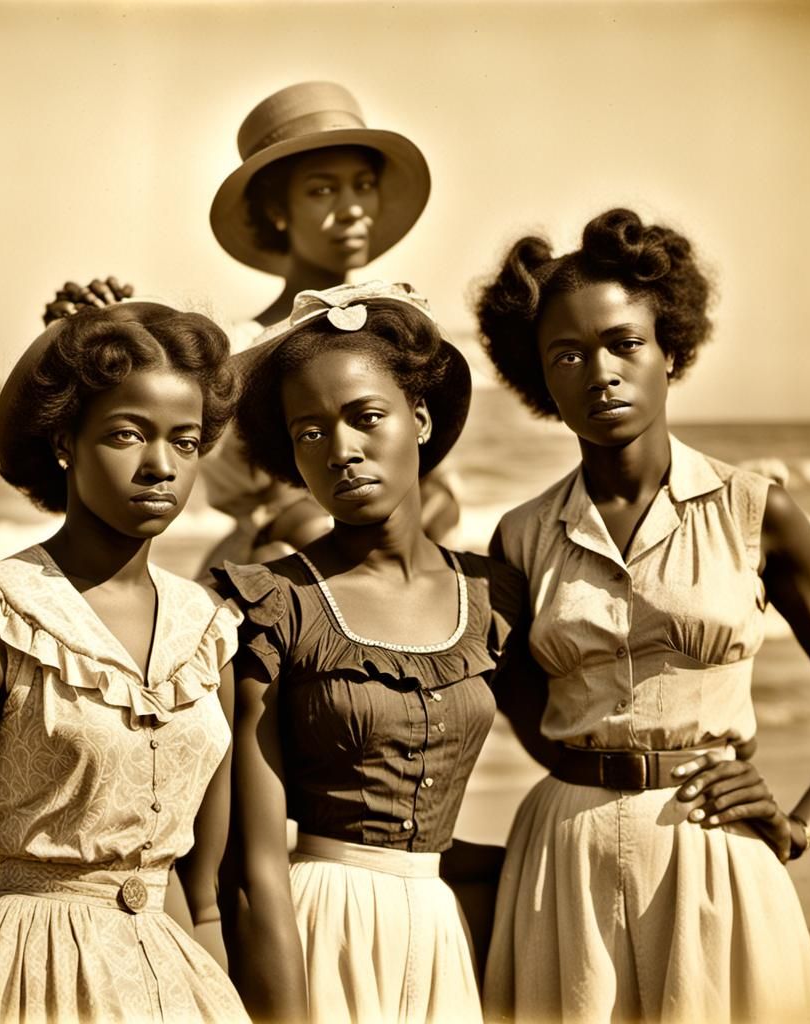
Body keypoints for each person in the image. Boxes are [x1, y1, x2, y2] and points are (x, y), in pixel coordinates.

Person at [474, 208, 810, 1022]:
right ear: (541, 379)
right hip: (565, 855)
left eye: (625, 343)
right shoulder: (520, 536)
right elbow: (509, 695)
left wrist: (798, 824)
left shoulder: (758, 512)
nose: (601, 373)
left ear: (671, 351)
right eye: (568, 355)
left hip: (715, 844)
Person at [0, 303, 251, 1023]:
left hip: (178, 986)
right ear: (65, 442)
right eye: (126, 434)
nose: (160, 466)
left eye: (186, 440)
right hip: (22, 976)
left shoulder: (210, 634)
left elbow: (205, 898)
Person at [211, 280, 522, 1023]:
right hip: (318, 926)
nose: (341, 450)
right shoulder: (271, 602)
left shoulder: (491, 596)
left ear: (419, 418)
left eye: (365, 417)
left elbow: (578, 729)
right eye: (309, 432)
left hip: (440, 929)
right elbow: (249, 868)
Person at [43, 82, 458, 564]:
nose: (351, 210)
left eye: (363, 186)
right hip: (274, 563)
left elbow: (443, 494)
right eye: (322, 190)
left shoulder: (394, 330)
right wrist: (84, 332)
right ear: (278, 211)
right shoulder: (236, 350)